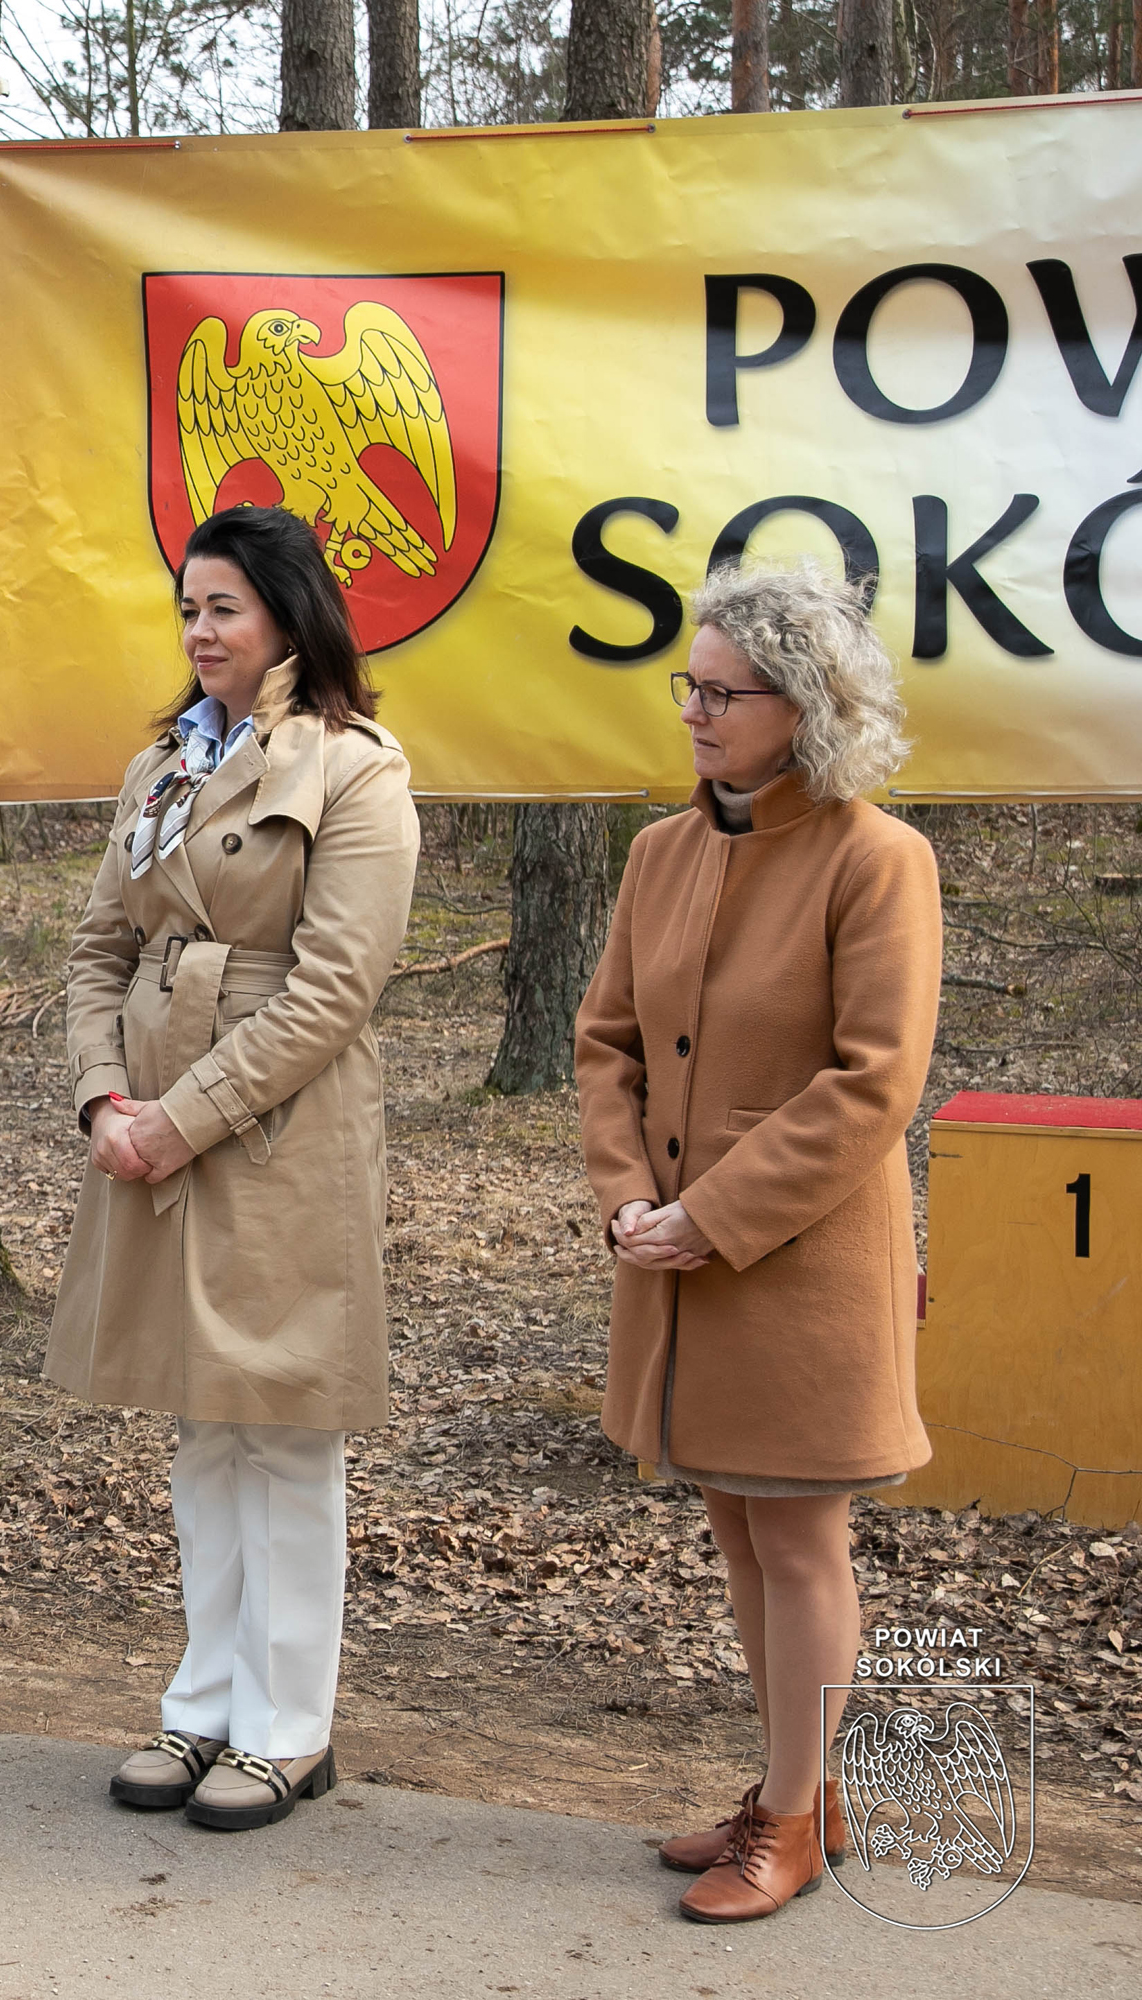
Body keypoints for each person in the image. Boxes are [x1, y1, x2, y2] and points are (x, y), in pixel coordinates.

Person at [46, 504, 419, 1830]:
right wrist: (102, 1095)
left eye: (224, 607)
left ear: (285, 612)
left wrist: (178, 1116)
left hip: (277, 1134)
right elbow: (98, 947)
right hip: (146, 1126)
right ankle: (204, 1705)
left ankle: (288, 1727)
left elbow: (331, 992)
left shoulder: (359, 771)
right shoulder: (161, 765)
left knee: (283, 1427)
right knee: (198, 1422)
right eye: (188, 607)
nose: (201, 629)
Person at [577, 563, 939, 1924]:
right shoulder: (663, 852)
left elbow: (874, 1083)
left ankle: (789, 1822)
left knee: (799, 1544)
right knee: (738, 1531)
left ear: (804, 706)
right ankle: (807, 1792)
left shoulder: (878, 860)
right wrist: (625, 1195)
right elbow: (606, 1039)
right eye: (692, 686)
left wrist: (708, 1213)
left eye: (723, 692)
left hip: (795, 1272)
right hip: (670, 1261)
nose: (696, 712)